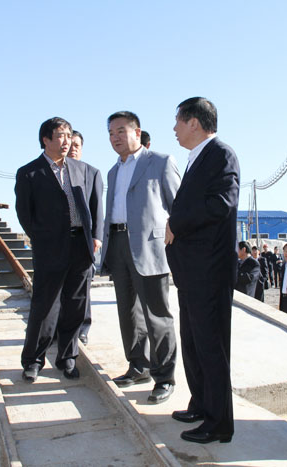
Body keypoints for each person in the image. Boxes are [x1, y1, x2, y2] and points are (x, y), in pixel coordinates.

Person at [165, 97, 239, 444]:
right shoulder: (197, 158)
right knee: (194, 343)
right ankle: (201, 404)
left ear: (194, 122)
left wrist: (176, 222)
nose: (175, 128)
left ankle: (219, 422)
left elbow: (221, 203)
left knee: (211, 346)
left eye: (178, 121)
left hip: (209, 270)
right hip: (191, 271)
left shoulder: (221, 155)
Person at [15, 117, 103, 382]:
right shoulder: (29, 173)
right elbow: (24, 213)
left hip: (80, 246)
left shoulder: (86, 170)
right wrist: (42, 238)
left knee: (76, 305)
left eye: (69, 135)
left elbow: (97, 207)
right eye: (61, 135)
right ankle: (33, 360)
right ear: (46, 139)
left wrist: (96, 237)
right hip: (49, 247)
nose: (67, 141)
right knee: (45, 305)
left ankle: (67, 357)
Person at [100, 111, 179, 404]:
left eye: (121, 131)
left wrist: (173, 235)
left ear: (137, 131)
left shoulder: (159, 162)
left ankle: (164, 378)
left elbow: (178, 205)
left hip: (149, 247)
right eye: (111, 133)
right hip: (118, 243)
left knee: (157, 314)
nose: (115, 137)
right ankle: (138, 366)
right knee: (128, 312)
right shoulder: (113, 171)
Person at [67, 130, 99, 345]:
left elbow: (97, 207)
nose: (73, 149)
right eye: (70, 145)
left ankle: (82, 328)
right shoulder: (56, 173)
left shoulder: (91, 172)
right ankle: (61, 328)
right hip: (60, 239)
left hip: (83, 238)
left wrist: (97, 236)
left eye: (77, 145)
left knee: (83, 286)